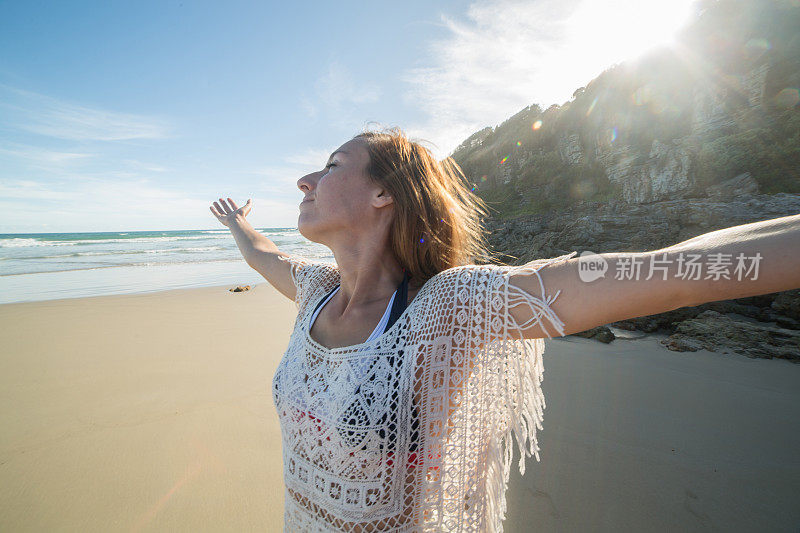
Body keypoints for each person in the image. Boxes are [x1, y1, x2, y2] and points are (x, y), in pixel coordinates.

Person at [210, 126, 800, 532]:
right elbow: (263, 256)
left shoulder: (448, 308)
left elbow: (669, 273)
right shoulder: (315, 292)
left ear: (385, 192)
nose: (305, 180)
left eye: (332, 166)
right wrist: (239, 223)